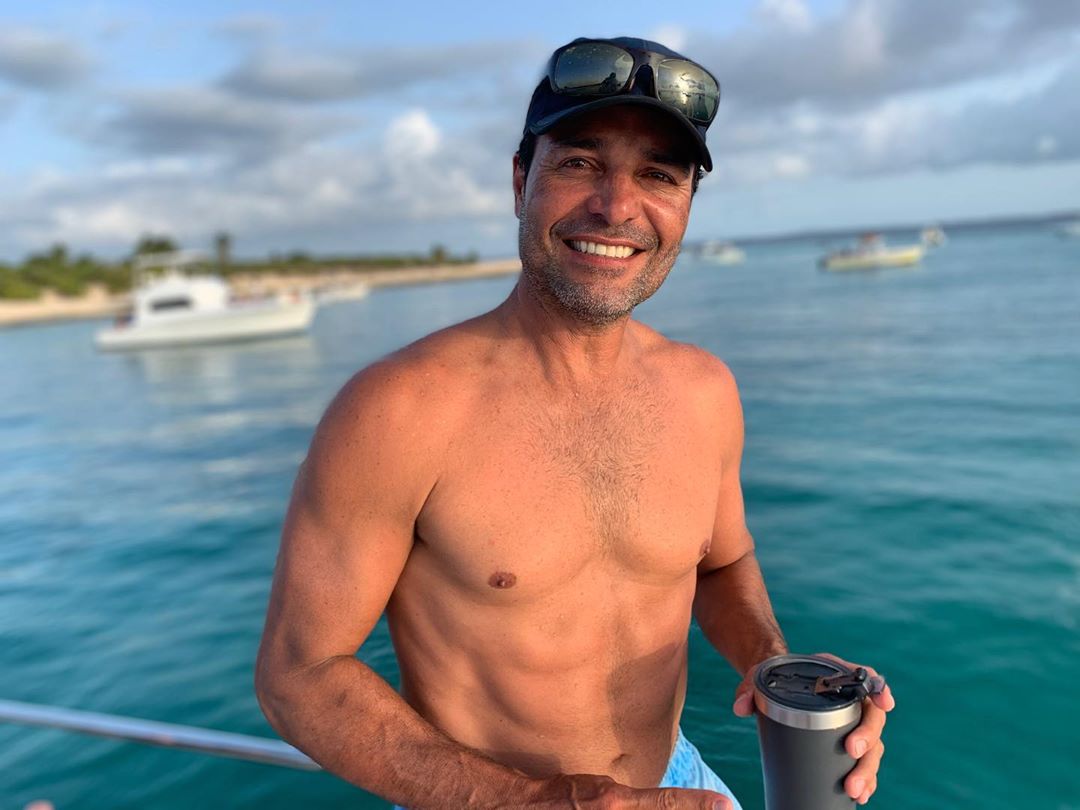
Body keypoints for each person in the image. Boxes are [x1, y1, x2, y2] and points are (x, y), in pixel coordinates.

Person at [255, 36, 893, 809]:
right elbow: (300, 675)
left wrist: (775, 667)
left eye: (658, 175)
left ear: (687, 206)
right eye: (581, 163)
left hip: (676, 782)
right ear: (520, 181)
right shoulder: (401, 409)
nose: (617, 207)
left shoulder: (704, 390)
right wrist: (536, 801)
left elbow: (722, 565)